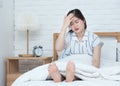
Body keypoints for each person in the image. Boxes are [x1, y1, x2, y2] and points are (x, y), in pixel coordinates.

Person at [48, 9, 103, 83]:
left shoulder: (94, 38)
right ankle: (60, 77)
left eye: (77, 22)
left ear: (83, 20)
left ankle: (70, 77)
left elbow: (96, 62)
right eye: (71, 24)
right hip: (67, 65)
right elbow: (58, 48)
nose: (75, 26)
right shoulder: (67, 36)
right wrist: (64, 26)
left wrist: (90, 73)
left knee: (76, 69)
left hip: (82, 68)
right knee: (66, 66)